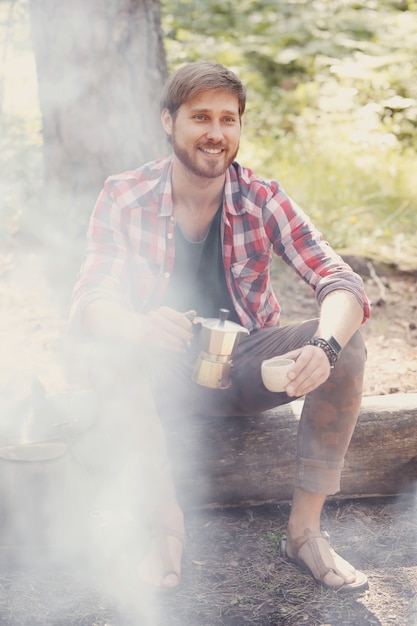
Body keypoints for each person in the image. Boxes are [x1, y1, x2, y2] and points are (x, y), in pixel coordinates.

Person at [69, 61, 371, 593]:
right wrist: (138, 327)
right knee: (109, 352)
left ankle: (304, 534)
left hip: (246, 369)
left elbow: (340, 280)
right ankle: (166, 528)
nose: (216, 133)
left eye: (228, 120)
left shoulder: (261, 197)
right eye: (200, 117)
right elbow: (90, 304)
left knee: (347, 345)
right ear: (169, 121)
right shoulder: (124, 194)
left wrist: (323, 345)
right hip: (154, 375)